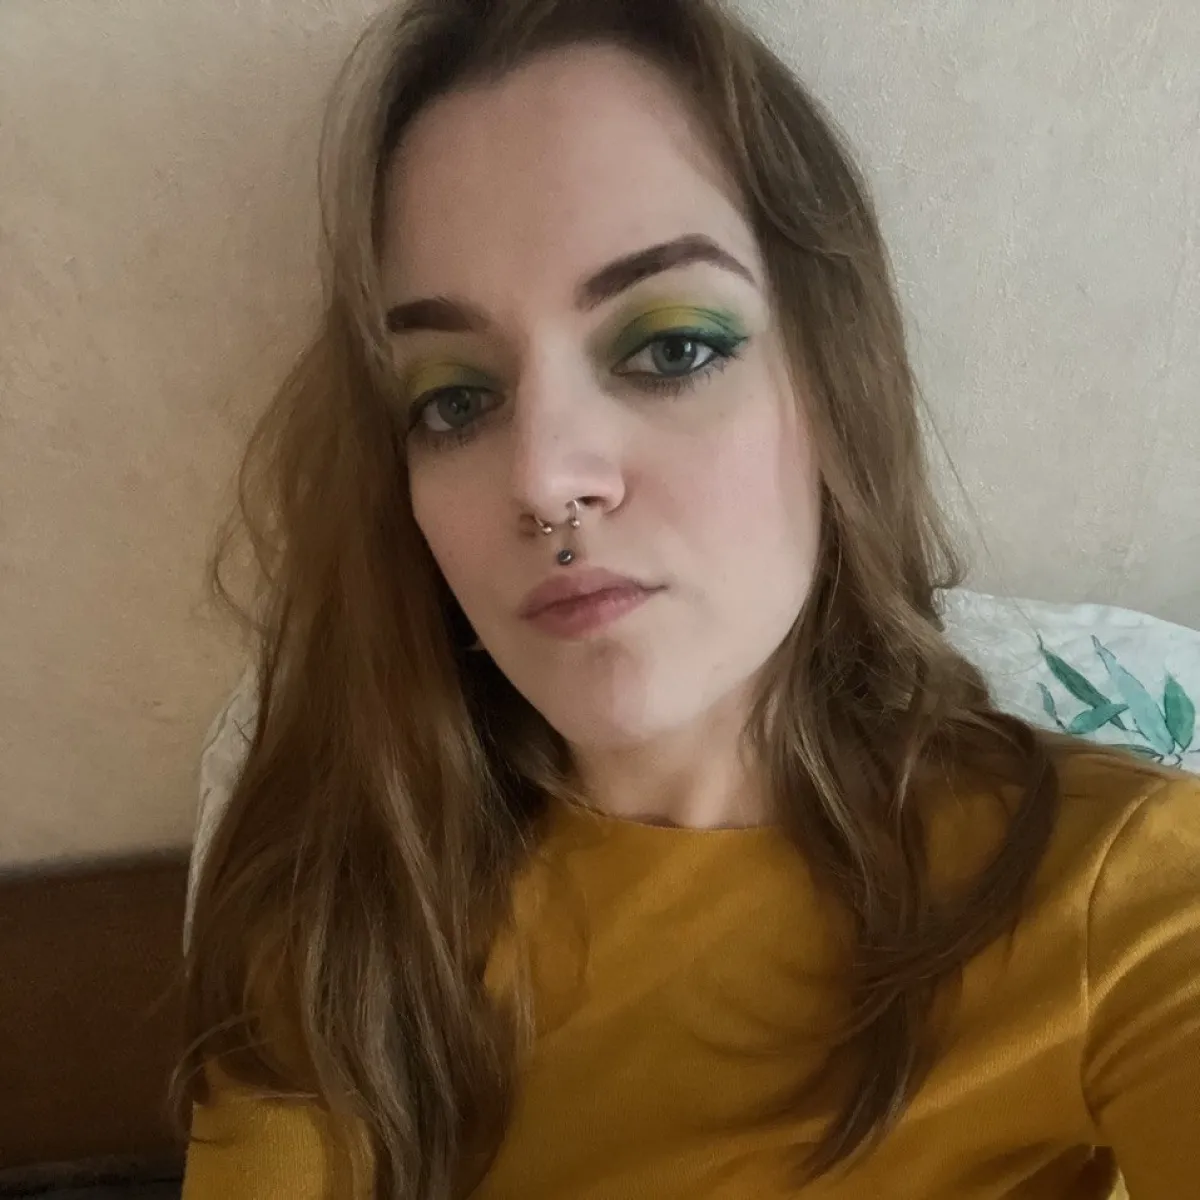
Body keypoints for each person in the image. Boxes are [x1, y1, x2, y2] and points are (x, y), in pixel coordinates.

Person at [176, 0, 1200, 1196]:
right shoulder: (345, 912)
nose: (543, 477)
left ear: (832, 382)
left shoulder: (1121, 896)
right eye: (454, 398)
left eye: (669, 347)